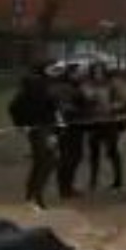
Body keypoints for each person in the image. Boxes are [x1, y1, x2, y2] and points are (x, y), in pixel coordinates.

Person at [8, 65, 60, 209]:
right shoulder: (36, 85)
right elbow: (15, 106)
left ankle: (34, 194)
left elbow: (51, 108)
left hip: (46, 128)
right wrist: (21, 124)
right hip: (39, 129)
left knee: (46, 161)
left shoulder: (44, 86)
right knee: (44, 161)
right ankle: (34, 196)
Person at [86, 66, 126, 192]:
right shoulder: (89, 86)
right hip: (95, 123)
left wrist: (111, 107)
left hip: (110, 122)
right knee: (94, 152)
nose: (97, 76)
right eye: (95, 73)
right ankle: (93, 181)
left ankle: (118, 181)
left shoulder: (113, 85)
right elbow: (86, 102)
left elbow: (122, 102)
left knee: (113, 152)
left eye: (99, 73)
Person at [50, 65, 90, 199]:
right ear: (70, 75)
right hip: (72, 127)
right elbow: (83, 107)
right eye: (77, 73)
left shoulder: (55, 89)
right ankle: (66, 188)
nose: (81, 76)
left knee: (67, 158)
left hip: (62, 127)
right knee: (72, 158)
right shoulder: (71, 90)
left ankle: (65, 187)